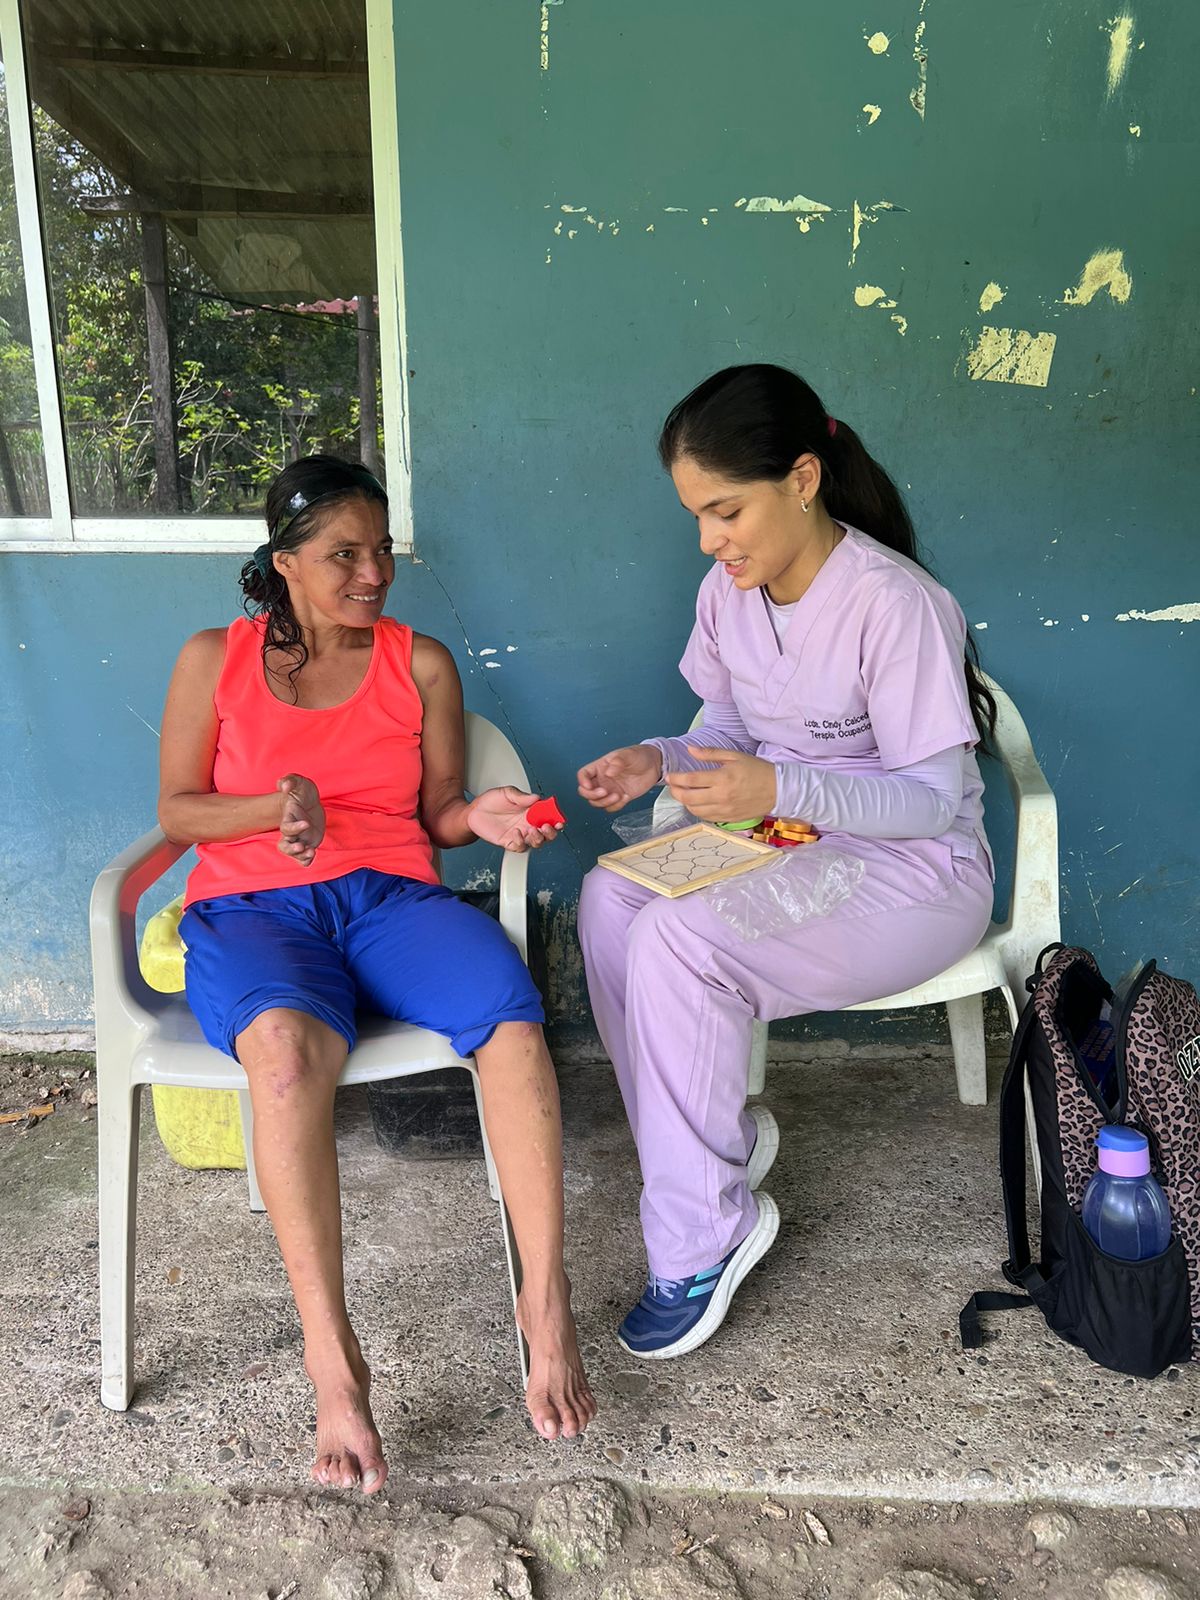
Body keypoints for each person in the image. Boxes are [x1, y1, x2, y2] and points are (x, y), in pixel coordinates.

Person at [158, 455, 595, 1493]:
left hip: (390, 901)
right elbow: (177, 809)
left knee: (511, 1020)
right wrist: (273, 807)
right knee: (283, 1059)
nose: (373, 573)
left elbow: (438, 813)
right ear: (285, 563)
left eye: (382, 550)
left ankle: (545, 1304)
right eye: (343, 554)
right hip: (254, 907)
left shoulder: (421, 663)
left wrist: (482, 815)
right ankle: (332, 1359)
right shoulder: (213, 658)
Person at [576, 364, 996, 1361]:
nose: (709, 540)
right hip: (786, 842)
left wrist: (781, 787)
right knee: (609, 899)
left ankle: (703, 1232)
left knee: (680, 939)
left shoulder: (895, 603)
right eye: (696, 515)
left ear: (803, 479)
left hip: (914, 872)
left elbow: (930, 800)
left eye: (725, 511)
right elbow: (724, 728)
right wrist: (659, 758)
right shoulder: (730, 594)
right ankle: (707, 1158)